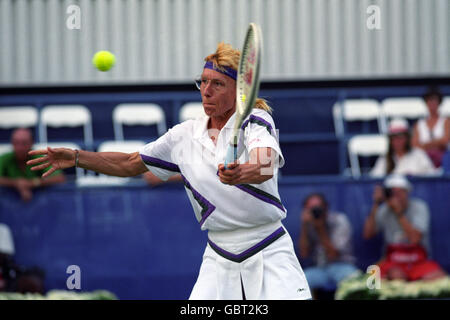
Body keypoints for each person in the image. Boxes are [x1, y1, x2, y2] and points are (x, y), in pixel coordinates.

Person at [27, 42, 312, 300]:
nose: (206, 91)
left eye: (217, 84)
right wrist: (78, 157)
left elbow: (265, 164)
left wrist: (241, 173)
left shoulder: (256, 119)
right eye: (203, 82)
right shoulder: (183, 135)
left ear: (238, 90)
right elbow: (129, 164)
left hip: (269, 248)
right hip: (219, 255)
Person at [363, 174, 446, 281]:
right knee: (377, 279)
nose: (396, 196)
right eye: (392, 192)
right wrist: (376, 204)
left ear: (407, 192)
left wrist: (399, 213)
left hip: (418, 261)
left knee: (440, 279)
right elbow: (367, 234)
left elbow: (415, 239)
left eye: (399, 192)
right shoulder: (383, 210)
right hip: (393, 262)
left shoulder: (419, 207)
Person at [298, 193, 359, 296]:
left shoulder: (340, 220)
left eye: (317, 208)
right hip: (318, 268)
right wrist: (304, 226)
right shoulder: (309, 223)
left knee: (355, 281)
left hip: (342, 266)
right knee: (300, 285)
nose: (315, 212)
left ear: (326, 207)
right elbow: (304, 254)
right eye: (311, 209)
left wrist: (320, 228)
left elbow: (333, 254)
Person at [0, 128, 65, 202]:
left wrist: (32, 183)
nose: (20, 147)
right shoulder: (4, 158)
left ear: (32, 143)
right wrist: (16, 183)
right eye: (16, 143)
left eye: (24, 143)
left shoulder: (40, 158)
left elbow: (59, 178)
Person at [370, 118, 438, 177]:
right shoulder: (384, 159)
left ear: (407, 138)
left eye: (400, 137)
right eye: (394, 137)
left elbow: (431, 179)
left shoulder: (419, 155)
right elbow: (375, 181)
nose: (397, 141)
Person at [412, 86, 450, 168]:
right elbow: (414, 144)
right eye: (429, 100)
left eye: (434, 100)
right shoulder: (419, 124)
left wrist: (425, 145)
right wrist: (436, 144)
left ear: (439, 102)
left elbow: (445, 141)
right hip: (422, 163)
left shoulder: (446, 121)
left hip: (443, 161)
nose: (432, 103)